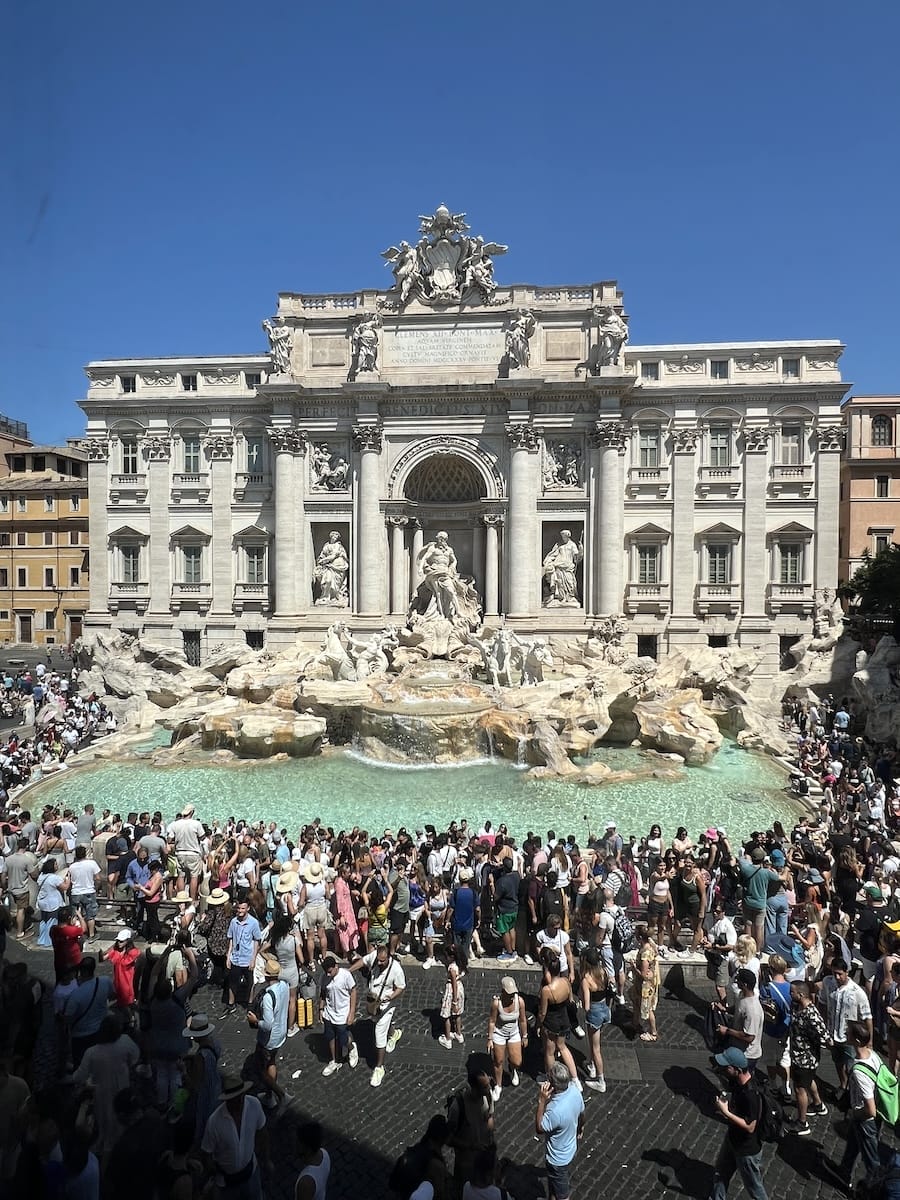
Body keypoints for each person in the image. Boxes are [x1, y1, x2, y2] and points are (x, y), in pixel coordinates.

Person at [827, 1020, 885, 1191]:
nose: (846, 1035)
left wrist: (854, 1114)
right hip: (864, 1116)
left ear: (857, 1041)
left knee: (871, 1159)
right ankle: (844, 1170)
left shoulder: (860, 1071)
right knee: (853, 1141)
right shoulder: (874, 1055)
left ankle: (877, 1190)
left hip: (865, 1119)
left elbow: (870, 1110)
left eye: (849, 1034)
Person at [710, 1046, 768, 1200]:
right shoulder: (737, 1082)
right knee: (721, 1173)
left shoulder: (751, 1094)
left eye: (725, 1067)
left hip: (746, 1149)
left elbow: (750, 1127)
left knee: (754, 1188)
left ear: (735, 1069)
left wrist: (726, 1112)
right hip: (733, 1139)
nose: (723, 1070)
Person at [201, 1074, 270, 1200]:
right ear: (227, 1100)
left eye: (240, 1096)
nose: (239, 1102)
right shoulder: (214, 1122)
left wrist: (266, 1158)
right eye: (234, 1099)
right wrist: (212, 1172)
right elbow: (207, 1152)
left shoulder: (254, 1105)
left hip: (251, 1173)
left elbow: (263, 1131)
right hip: (227, 1183)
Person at [349, 942, 405, 1087]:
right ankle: (394, 1033)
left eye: (382, 961)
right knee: (380, 1022)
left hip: (386, 1004)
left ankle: (379, 1067)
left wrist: (390, 997)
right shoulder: (374, 957)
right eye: (378, 960)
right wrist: (349, 971)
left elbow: (401, 987)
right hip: (373, 1001)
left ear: (389, 957)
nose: (379, 963)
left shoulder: (396, 970)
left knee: (379, 1033)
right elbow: (363, 961)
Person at [819, 957, 872, 1095]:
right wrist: (823, 1026)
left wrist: (870, 1041)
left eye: (839, 974)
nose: (837, 977)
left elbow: (867, 1017)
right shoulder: (827, 983)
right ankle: (843, 1085)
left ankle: (855, 1091)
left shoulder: (857, 992)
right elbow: (823, 1003)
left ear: (846, 972)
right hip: (832, 1033)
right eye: (834, 973)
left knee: (852, 1066)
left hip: (849, 1037)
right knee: (837, 1061)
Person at [536, 1062, 585, 1200]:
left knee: (562, 1195)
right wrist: (580, 1128)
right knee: (554, 1187)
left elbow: (539, 1128)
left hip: (557, 1159)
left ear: (553, 1085)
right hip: (569, 1148)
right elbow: (582, 1114)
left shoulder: (555, 1111)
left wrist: (541, 1101)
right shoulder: (575, 1091)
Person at [247, 958, 292, 1109]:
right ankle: (268, 1096)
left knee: (261, 1071)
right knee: (271, 1063)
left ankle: (280, 1095)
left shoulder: (268, 997)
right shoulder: (285, 986)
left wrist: (254, 1021)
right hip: (281, 1034)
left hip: (268, 1039)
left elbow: (267, 1025)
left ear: (266, 976)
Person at [787, 979, 829, 1136]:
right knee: (809, 1080)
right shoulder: (798, 1007)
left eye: (792, 992)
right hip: (799, 1055)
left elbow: (825, 1036)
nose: (790, 994)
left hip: (805, 1057)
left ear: (801, 994)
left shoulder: (811, 1013)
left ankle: (802, 1122)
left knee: (799, 1089)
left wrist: (813, 1042)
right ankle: (818, 1104)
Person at [536, 949, 580, 1086]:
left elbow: (542, 1013)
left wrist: (538, 1025)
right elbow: (571, 1000)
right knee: (562, 1047)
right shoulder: (566, 982)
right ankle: (575, 1079)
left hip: (551, 1023)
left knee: (549, 1053)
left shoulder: (547, 990)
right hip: (564, 1020)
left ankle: (550, 1079)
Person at [448, 1066, 496, 1190]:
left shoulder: (487, 1096)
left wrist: (491, 1140)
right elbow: (449, 1138)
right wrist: (471, 1146)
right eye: (485, 1087)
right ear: (474, 1088)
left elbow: (490, 1116)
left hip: (484, 1160)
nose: (489, 1088)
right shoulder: (458, 1106)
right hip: (466, 1164)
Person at [488, 975, 527, 1100]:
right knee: (498, 1061)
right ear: (503, 991)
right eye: (509, 993)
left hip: (514, 1033)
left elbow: (522, 1020)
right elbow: (492, 1022)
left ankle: (513, 1068)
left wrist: (524, 1035)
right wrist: (490, 1038)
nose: (511, 996)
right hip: (499, 1033)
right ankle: (498, 1085)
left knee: (517, 1061)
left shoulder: (519, 1001)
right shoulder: (496, 1004)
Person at [320, 954, 358, 1075]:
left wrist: (351, 1012)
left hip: (342, 1012)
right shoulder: (325, 977)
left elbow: (353, 991)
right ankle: (334, 1060)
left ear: (336, 966)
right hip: (329, 1012)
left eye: (330, 971)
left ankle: (351, 1048)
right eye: (326, 972)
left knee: (343, 1038)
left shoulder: (346, 975)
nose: (328, 974)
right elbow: (323, 992)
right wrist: (321, 1009)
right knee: (330, 1037)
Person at [580, 948, 612, 1093]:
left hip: (594, 1012)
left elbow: (586, 1006)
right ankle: (592, 1066)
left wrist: (581, 1003)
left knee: (595, 1048)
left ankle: (601, 1080)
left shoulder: (586, 979)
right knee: (595, 1042)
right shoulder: (604, 972)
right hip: (605, 1009)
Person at [226, 899, 262, 1014]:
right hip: (235, 958)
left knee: (250, 983)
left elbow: (257, 941)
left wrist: (253, 959)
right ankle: (231, 1004)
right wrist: (228, 956)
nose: (240, 911)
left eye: (242, 908)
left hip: (247, 958)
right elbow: (231, 939)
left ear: (248, 909)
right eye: (238, 908)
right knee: (232, 982)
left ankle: (250, 1004)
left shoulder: (254, 923)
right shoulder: (233, 922)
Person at [632, 923, 660, 1043]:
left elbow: (643, 974)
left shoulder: (645, 954)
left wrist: (633, 967)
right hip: (646, 983)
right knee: (637, 1003)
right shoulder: (651, 944)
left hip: (645, 985)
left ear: (639, 938)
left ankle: (653, 1033)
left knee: (648, 1009)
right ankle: (635, 1023)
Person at [542, 530, 583, 608]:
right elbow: (553, 554)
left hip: (568, 567)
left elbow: (577, 558)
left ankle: (570, 597)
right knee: (559, 583)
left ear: (568, 536)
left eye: (565, 537)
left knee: (570, 583)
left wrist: (581, 550)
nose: (563, 538)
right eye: (562, 537)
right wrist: (548, 561)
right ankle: (561, 598)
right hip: (558, 566)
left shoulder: (572, 545)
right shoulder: (559, 545)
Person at [438, 945, 466, 1050]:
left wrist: (454, 1001)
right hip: (460, 989)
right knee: (458, 1014)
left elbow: (453, 984)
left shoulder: (452, 968)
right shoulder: (460, 964)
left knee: (447, 1016)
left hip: (452, 991)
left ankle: (448, 1039)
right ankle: (459, 1034)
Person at [295, 1121, 330, 1200]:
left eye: (298, 1142)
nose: (295, 1144)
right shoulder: (325, 1154)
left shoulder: (305, 1183)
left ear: (308, 1149)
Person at [314, 531, 350, 607]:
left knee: (336, 585)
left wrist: (324, 560)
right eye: (334, 536)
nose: (335, 538)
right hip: (328, 566)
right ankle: (325, 597)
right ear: (331, 537)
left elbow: (334, 556)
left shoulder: (338, 546)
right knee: (327, 580)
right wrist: (321, 560)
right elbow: (322, 556)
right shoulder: (326, 545)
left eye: (336, 537)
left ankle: (335, 598)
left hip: (338, 567)